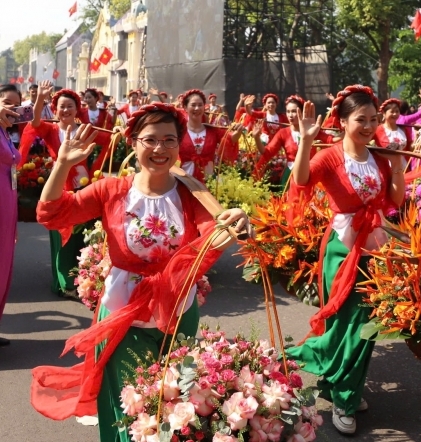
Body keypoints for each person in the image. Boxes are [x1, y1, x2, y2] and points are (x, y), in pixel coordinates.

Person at [30, 103, 251, 441]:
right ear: (133, 142)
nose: (160, 148)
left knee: (173, 406)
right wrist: (62, 164)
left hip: (177, 313)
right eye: (150, 139)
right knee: (130, 408)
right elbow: (51, 213)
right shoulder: (111, 190)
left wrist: (236, 223)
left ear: (178, 144)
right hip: (123, 315)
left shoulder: (192, 193)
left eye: (169, 140)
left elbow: (213, 239)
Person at [286, 85, 405, 435]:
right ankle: (343, 395)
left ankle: (344, 388)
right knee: (346, 325)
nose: (368, 126)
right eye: (360, 120)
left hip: (376, 248)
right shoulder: (330, 157)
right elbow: (301, 180)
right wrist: (307, 140)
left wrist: (397, 167)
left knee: (366, 327)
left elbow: (395, 200)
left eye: (373, 119)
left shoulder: (379, 158)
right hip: (342, 251)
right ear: (342, 122)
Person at [19, 80, 114, 298]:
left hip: (83, 186)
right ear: (55, 109)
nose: (65, 110)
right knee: (60, 234)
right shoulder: (50, 129)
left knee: (81, 235)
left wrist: (98, 165)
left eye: (70, 106)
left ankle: (80, 279)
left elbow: (110, 140)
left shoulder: (87, 130)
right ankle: (62, 282)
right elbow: (34, 122)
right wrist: (40, 98)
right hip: (58, 186)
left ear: (77, 109)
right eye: (61, 106)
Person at [254, 95, 332, 190]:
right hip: (289, 176)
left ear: (302, 112)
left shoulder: (312, 130)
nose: (290, 115)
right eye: (288, 111)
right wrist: (256, 138)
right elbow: (267, 152)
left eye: (294, 111)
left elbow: (331, 140)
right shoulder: (283, 133)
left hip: (311, 174)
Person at [178, 89, 242, 182]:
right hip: (184, 182)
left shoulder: (213, 131)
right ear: (185, 107)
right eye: (193, 105)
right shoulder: (178, 131)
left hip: (208, 182)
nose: (197, 108)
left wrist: (238, 131)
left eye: (200, 105)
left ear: (204, 107)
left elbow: (231, 139)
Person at [0, 84, 21, 347]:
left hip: (7, 207)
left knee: (4, 269)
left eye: (16, 105)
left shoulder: (5, 131)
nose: (12, 109)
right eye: (6, 102)